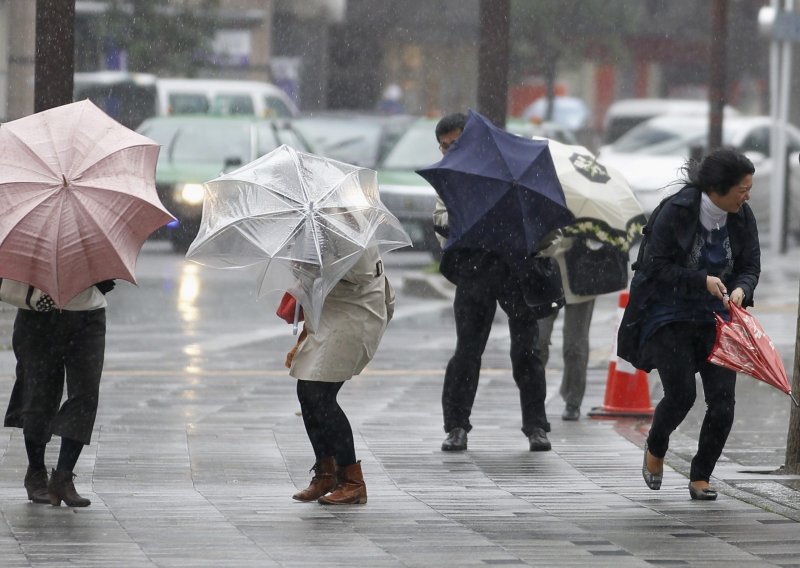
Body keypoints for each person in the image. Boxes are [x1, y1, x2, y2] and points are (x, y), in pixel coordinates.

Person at [628, 148, 760, 501]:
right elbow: (655, 267)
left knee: (723, 403)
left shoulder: (742, 216)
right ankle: (656, 446)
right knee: (682, 394)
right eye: (742, 189)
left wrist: (740, 289)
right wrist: (700, 280)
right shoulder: (677, 211)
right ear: (718, 188)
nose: (747, 196)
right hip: (670, 316)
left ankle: (701, 475)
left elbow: (750, 265)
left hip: (718, 319)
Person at [433, 112, 555, 453]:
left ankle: (536, 426)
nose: (449, 152)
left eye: (454, 144)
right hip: (476, 269)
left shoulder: (511, 167)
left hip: (518, 268)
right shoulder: (451, 179)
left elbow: (545, 227)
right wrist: (465, 215)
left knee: (527, 352)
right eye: (443, 146)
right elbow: (439, 222)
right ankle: (456, 425)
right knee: (467, 351)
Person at [285, 246, 394, 505]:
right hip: (331, 312)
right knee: (307, 391)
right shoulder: (315, 224)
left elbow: (356, 269)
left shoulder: (350, 217)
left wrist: (314, 262)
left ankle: (352, 481)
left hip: (356, 309)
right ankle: (326, 473)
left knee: (319, 393)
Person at [3, 278, 115, 507]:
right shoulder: (28, 242)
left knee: (86, 394)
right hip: (37, 315)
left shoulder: (87, 241)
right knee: (39, 394)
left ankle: (63, 476)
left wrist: (102, 280)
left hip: (88, 314)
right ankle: (36, 472)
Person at [534, 237, 597, 422]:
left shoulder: (589, 208)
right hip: (544, 275)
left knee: (575, 345)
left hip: (581, 275)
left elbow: (603, 237)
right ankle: (533, 400)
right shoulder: (544, 208)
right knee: (538, 340)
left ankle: (573, 401)